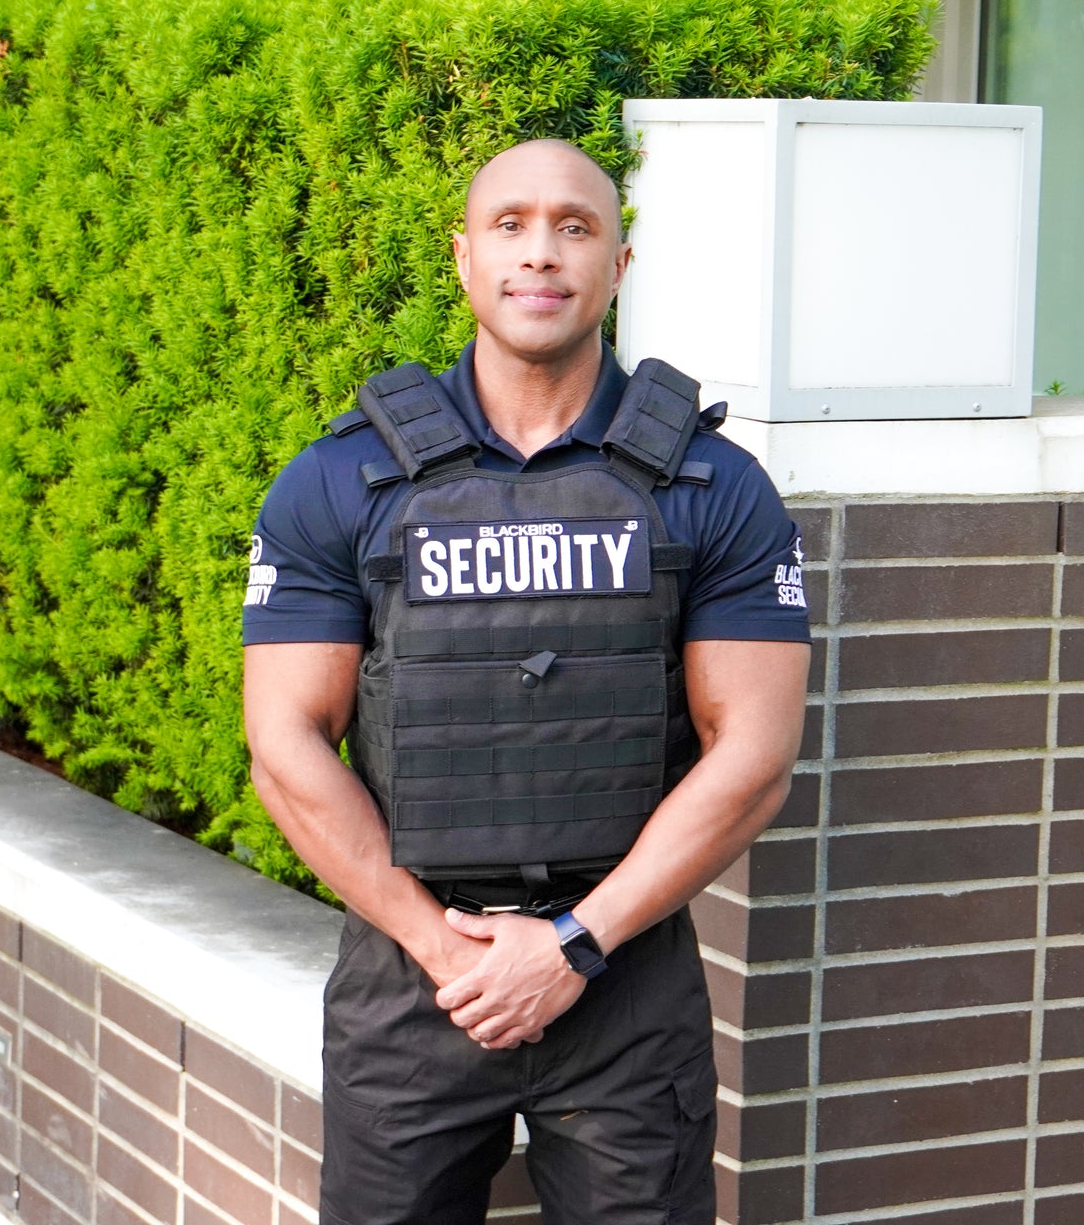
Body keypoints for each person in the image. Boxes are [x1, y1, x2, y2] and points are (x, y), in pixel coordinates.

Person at [241, 137, 811, 1225]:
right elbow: (285, 744)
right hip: (413, 974)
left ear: (617, 265)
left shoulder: (712, 486)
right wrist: (441, 944)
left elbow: (755, 756)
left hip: (624, 978)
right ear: (464, 257)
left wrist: (574, 945)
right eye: (509, 225)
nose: (540, 253)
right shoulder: (340, 481)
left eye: (574, 227)